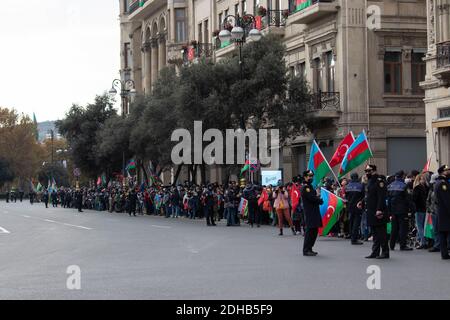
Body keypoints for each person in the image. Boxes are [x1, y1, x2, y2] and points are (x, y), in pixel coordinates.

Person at [364, 164, 389, 259]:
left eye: (369, 171)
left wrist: (379, 209)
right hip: (371, 210)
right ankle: (375, 252)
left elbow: (381, 197)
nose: (367, 173)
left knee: (381, 233)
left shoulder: (379, 181)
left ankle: (385, 252)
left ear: (374, 170)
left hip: (378, 211)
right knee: (375, 233)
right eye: (365, 171)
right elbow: (370, 195)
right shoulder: (370, 181)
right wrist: (362, 202)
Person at [387, 170, 414, 251]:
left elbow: (388, 200)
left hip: (393, 210)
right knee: (403, 228)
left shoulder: (390, 186)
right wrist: (412, 210)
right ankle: (403, 245)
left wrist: (389, 212)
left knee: (394, 228)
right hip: (402, 210)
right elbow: (408, 199)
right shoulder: (404, 186)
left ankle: (391, 245)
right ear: (402, 176)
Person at [301, 170, 323, 256]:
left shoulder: (310, 187)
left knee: (314, 230)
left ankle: (310, 248)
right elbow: (312, 198)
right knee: (310, 231)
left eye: (312, 176)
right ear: (305, 177)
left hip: (314, 210)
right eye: (309, 176)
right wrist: (319, 200)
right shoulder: (305, 187)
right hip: (310, 212)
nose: (311, 177)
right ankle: (306, 249)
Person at [434, 165, 450, 260]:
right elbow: (446, 200)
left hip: (441, 212)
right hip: (445, 212)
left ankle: (444, 253)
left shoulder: (439, 182)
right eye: (447, 170)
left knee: (443, 233)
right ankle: (444, 253)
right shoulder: (443, 184)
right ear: (442, 172)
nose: (448, 172)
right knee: (444, 233)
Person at [345, 173, 365, 245]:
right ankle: (354, 239)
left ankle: (352, 236)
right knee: (356, 223)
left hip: (350, 207)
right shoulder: (361, 185)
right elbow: (363, 196)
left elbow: (346, 197)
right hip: (358, 206)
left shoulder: (347, 186)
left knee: (351, 222)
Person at [413, 173, 430, 249]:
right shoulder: (425, 187)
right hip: (424, 209)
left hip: (418, 209)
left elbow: (414, 199)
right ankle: (422, 240)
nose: (423, 180)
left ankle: (423, 242)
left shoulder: (417, 188)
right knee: (423, 226)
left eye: (423, 179)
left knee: (419, 226)